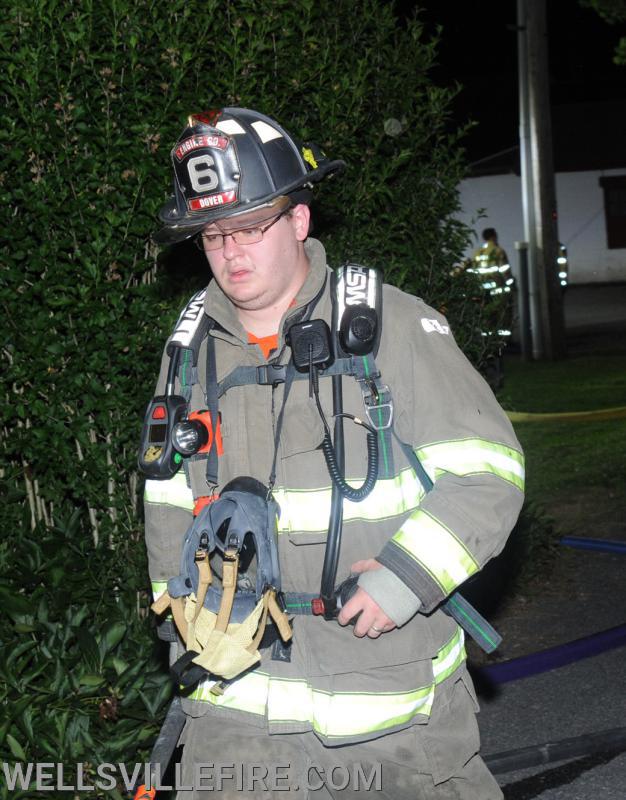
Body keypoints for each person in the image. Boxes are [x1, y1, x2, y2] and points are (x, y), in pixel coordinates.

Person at [143, 108, 525, 799]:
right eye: (213, 235)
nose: (232, 253)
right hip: (236, 719)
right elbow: (166, 497)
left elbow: (488, 472)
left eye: (251, 226)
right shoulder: (187, 353)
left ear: (298, 220)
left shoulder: (389, 326)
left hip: (388, 712)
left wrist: (406, 577)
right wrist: (185, 622)